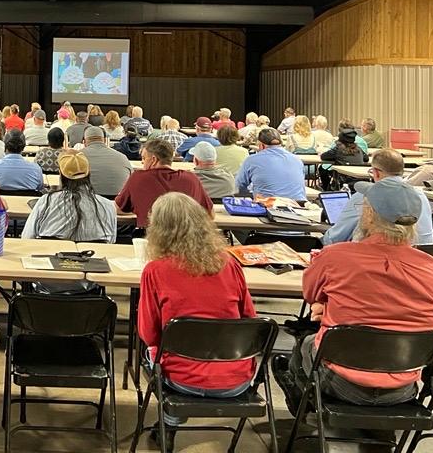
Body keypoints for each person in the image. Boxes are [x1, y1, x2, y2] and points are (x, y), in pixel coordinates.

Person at [283, 179, 433, 408]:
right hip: (403, 386)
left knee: (306, 342)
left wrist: (329, 307)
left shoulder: (334, 257)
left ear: (369, 215)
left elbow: (310, 294)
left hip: (341, 380)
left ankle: (303, 405)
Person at [139, 191, 257, 431]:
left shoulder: (155, 270)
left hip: (181, 378)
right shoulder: (230, 264)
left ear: (157, 229)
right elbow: (250, 320)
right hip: (236, 378)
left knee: (149, 354)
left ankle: (170, 423)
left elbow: (149, 334)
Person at [324, 149, 433, 246]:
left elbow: (335, 239)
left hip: (372, 257)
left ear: (376, 173)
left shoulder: (366, 195)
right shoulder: (420, 196)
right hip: (420, 258)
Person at [115, 139, 212, 230]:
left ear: (153, 160)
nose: (142, 162)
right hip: (188, 238)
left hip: (152, 238)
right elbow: (210, 214)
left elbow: (118, 208)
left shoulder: (138, 178)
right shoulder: (191, 179)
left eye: (144, 158)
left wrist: (139, 209)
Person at [23, 151, 117, 243]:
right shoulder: (108, 206)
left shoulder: (46, 202)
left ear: (61, 174)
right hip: (94, 253)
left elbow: (27, 237)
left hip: (52, 252)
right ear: (89, 173)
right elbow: (111, 241)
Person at [235, 128, 307, 202]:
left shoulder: (251, 160)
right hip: (299, 204)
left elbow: (239, 186)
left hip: (268, 205)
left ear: (261, 145)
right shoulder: (297, 159)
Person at [81, 126, 133, 197]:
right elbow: (132, 180)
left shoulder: (76, 157)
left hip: (86, 200)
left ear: (84, 142)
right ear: (105, 140)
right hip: (117, 201)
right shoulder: (122, 157)